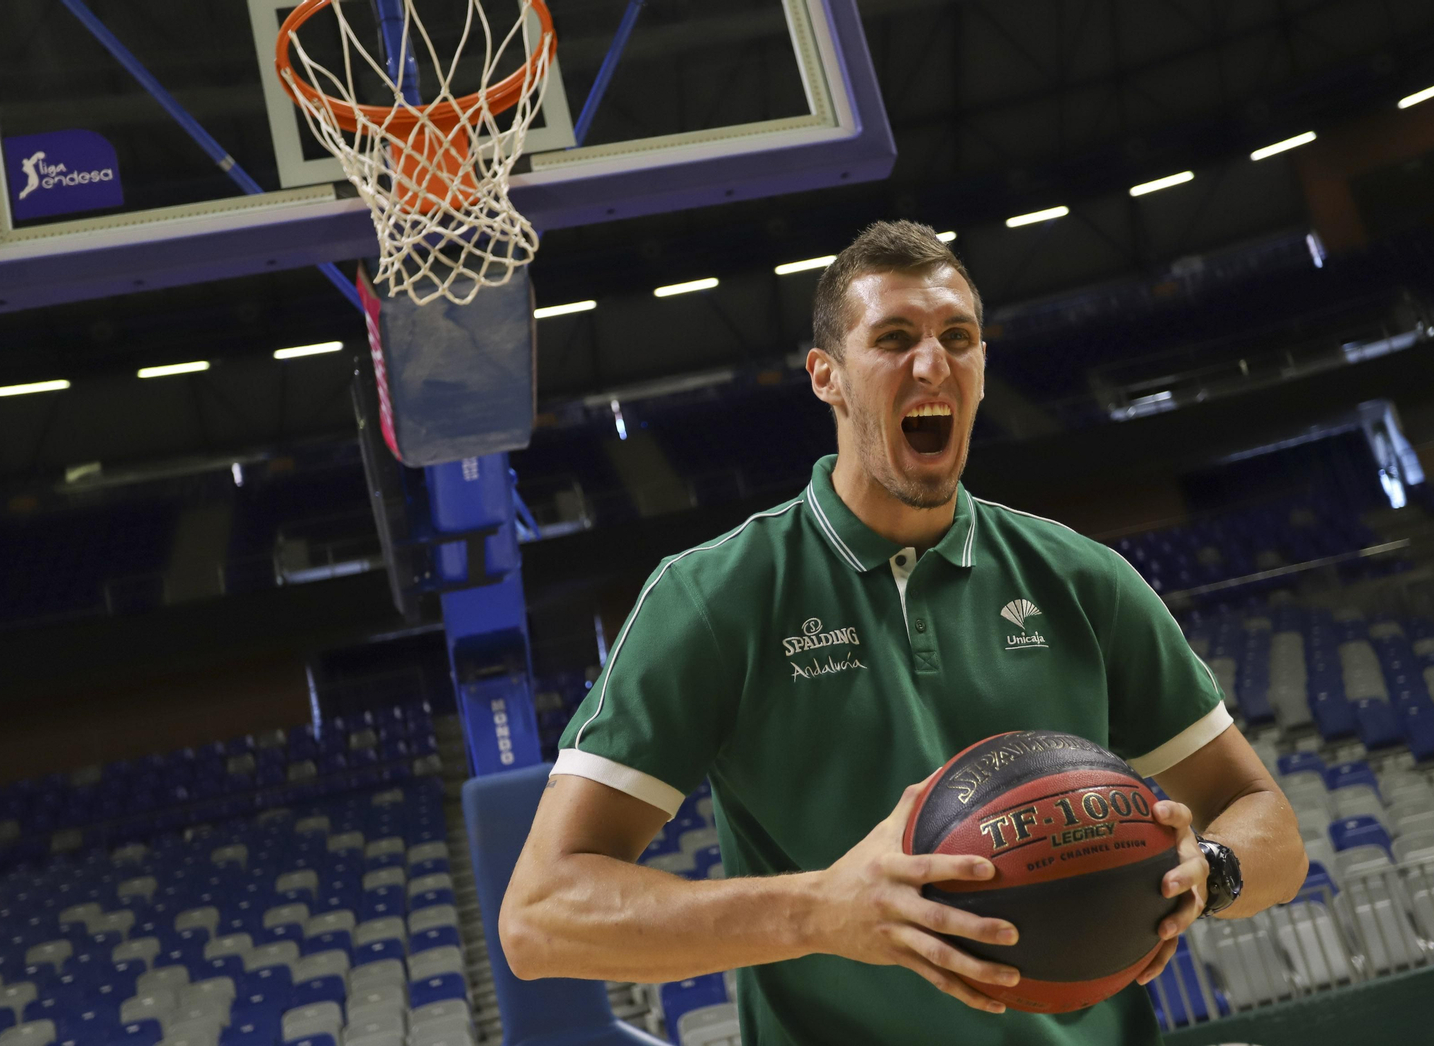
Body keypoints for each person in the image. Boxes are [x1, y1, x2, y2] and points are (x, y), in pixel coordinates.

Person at [500, 220, 1307, 1045]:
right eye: (894, 339)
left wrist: (1208, 871)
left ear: (983, 369)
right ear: (828, 377)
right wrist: (818, 910)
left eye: (958, 338)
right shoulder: (714, 596)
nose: (933, 363)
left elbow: (1265, 818)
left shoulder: (1082, 579)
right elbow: (540, 917)